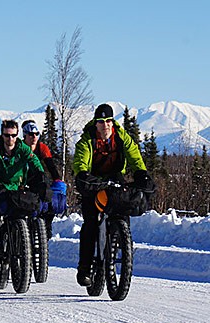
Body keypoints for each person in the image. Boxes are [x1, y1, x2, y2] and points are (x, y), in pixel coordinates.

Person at [73, 103, 154, 287]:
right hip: (93, 181)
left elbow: (134, 155)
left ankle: (121, 243)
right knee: (91, 222)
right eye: (101, 122)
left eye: (108, 121)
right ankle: (84, 267)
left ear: (113, 122)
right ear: (96, 123)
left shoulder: (121, 137)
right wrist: (83, 174)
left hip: (115, 178)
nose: (105, 125)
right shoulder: (87, 140)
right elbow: (80, 160)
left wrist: (141, 173)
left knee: (123, 208)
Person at [0, 119, 50, 263]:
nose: (10, 139)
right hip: (0, 187)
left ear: (17, 135)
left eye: (13, 135)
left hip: (18, 187)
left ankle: (22, 242)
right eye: (6, 135)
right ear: (2, 135)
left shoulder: (23, 148)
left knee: (23, 209)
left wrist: (41, 175)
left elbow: (33, 160)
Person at [21, 120, 66, 239]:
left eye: (36, 134)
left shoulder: (42, 148)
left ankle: (47, 224)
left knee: (48, 196)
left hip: (38, 177)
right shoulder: (20, 148)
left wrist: (57, 179)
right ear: (25, 135)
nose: (34, 137)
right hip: (23, 178)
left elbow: (50, 164)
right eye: (31, 134)